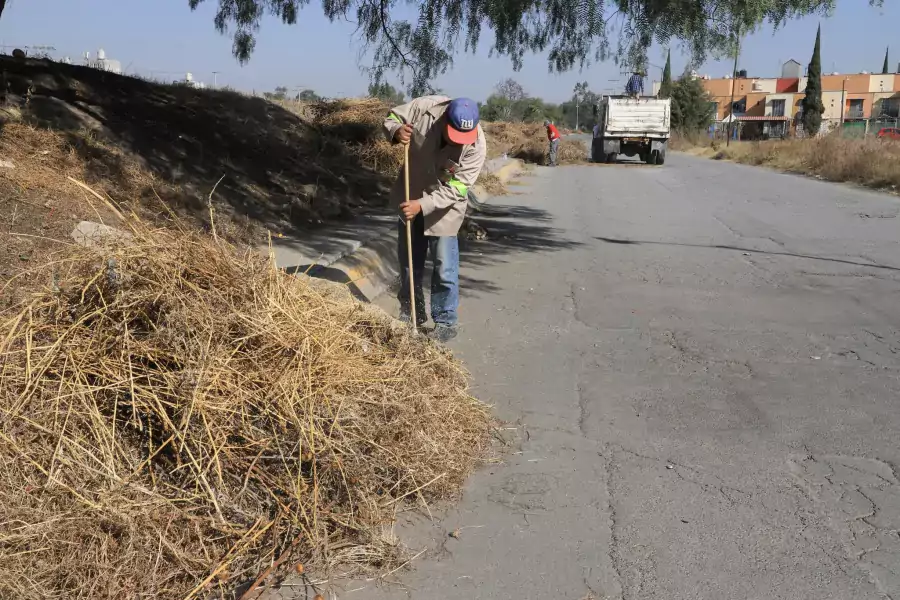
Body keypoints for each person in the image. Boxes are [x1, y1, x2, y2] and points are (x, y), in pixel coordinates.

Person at [383, 96, 486, 342]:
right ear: (444, 120)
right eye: (453, 135)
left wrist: (424, 205)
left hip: (444, 208)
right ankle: (411, 313)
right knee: (409, 263)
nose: (456, 142)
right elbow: (392, 117)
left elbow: (458, 189)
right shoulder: (424, 108)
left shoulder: (477, 145)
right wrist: (396, 130)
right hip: (411, 195)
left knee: (444, 266)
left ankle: (445, 320)